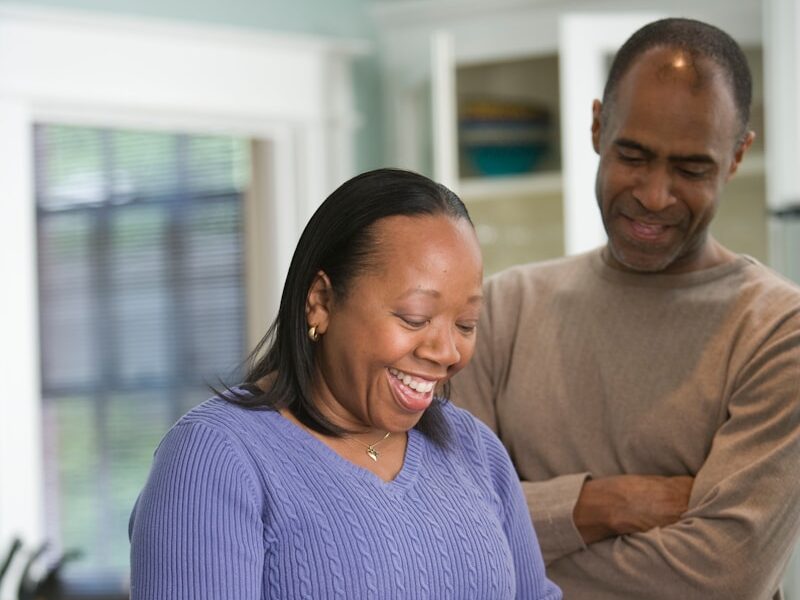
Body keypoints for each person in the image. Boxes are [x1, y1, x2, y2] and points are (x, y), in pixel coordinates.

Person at [451, 17, 800, 600]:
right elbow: (449, 529)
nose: (655, 195)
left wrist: (517, 533)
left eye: (692, 169)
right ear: (596, 127)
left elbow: (724, 577)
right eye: (633, 156)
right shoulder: (505, 309)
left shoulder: (776, 331)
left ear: (737, 157)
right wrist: (605, 504)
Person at [128, 168, 562, 599]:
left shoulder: (474, 450)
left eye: (466, 324)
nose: (447, 351)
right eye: (414, 318)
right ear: (321, 302)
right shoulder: (215, 457)